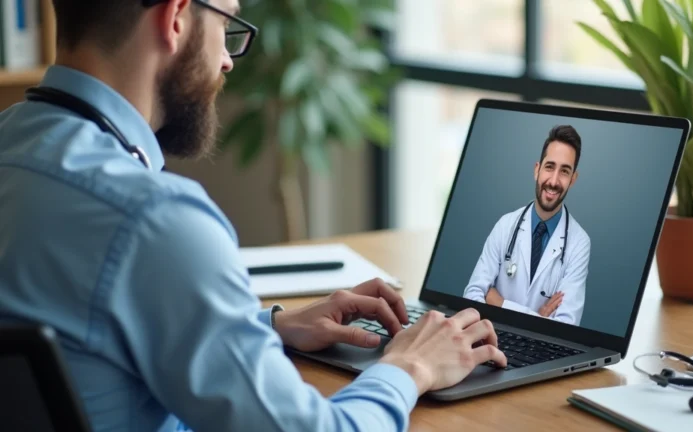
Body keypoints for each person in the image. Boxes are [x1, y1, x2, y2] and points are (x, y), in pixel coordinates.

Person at [0, 1, 509, 431]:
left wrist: (265, 327)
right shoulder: (153, 219)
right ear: (176, 17)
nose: (227, 59)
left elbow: (90, 335)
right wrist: (410, 366)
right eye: (226, 24)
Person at [463, 125, 591, 326]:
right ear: (537, 170)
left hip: (537, 346)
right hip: (491, 337)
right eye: (549, 167)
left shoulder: (579, 243)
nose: (554, 181)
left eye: (564, 171)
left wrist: (499, 303)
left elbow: (566, 325)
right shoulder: (505, 225)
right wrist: (538, 317)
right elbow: (472, 296)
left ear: (573, 180)